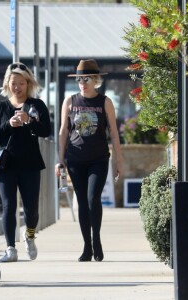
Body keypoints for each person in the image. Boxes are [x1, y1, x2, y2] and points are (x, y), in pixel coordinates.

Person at [55, 59, 123, 262]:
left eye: (86, 79)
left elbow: (114, 133)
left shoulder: (105, 102)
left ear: (95, 80)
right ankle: (86, 246)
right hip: (75, 160)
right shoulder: (70, 101)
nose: (82, 83)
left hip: (99, 159)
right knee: (82, 203)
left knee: (93, 198)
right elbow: (63, 131)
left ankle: (97, 240)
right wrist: (60, 160)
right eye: (79, 79)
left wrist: (119, 161)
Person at [0, 62, 51, 262]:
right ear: (7, 84)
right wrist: (9, 124)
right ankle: (10, 248)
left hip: (30, 163)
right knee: (8, 206)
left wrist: (29, 121)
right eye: (14, 83)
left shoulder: (36, 105)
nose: (17, 87)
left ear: (28, 84)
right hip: (7, 163)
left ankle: (30, 235)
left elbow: (46, 130)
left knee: (31, 209)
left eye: (21, 83)